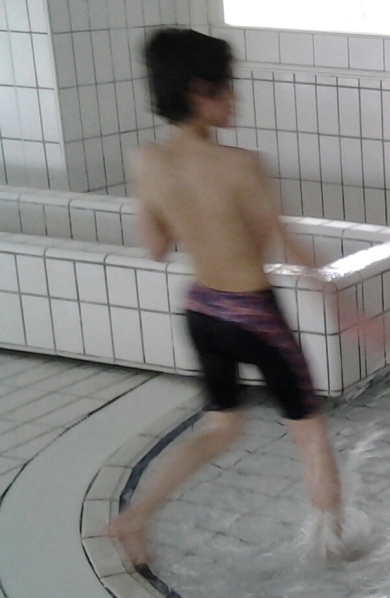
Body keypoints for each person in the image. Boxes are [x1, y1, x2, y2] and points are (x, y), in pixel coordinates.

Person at [106, 28, 346, 568]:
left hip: (202, 311)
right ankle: (335, 560)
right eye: (228, 86)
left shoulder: (145, 161)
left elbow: (155, 248)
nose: (236, 98)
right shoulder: (241, 164)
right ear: (200, 90)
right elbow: (284, 244)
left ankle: (135, 518)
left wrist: (188, 212)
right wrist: (344, 309)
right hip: (253, 313)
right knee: (310, 435)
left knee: (220, 428)